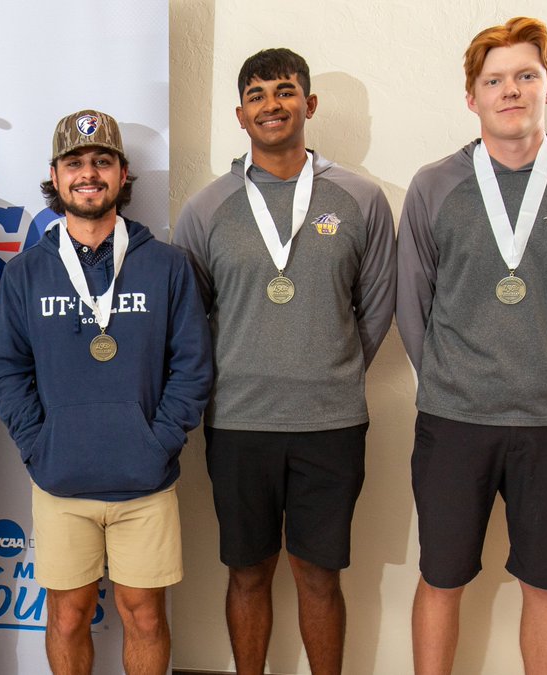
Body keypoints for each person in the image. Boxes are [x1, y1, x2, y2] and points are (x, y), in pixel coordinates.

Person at [396, 17, 547, 674]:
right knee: (442, 578)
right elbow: (411, 306)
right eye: (493, 80)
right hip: (454, 421)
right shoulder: (434, 186)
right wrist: (450, 378)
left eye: (525, 76)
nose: (510, 91)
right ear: (470, 96)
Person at [172, 48, 396, 674]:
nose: (273, 103)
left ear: (309, 104)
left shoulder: (360, 199)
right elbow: (191, 319)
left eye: (286, 90)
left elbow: (376, 311)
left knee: (320, 576)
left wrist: (330, 366)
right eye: (258, 94)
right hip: (240, 423)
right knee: (247, 573)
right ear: (240, 114)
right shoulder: (206, 208)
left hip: (331, 422)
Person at [0, 109, 212, 675]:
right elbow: (6, 371)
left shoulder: (166, 266)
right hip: (62, 480)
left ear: (123, 173)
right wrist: (41, 445)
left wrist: (158, 440)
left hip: (145, 481)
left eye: (101, 161)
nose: (89, 173)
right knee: (66, 616)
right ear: (56, 176)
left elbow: (193, 366)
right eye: (75, 163)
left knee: (145, 617)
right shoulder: (27, 273)